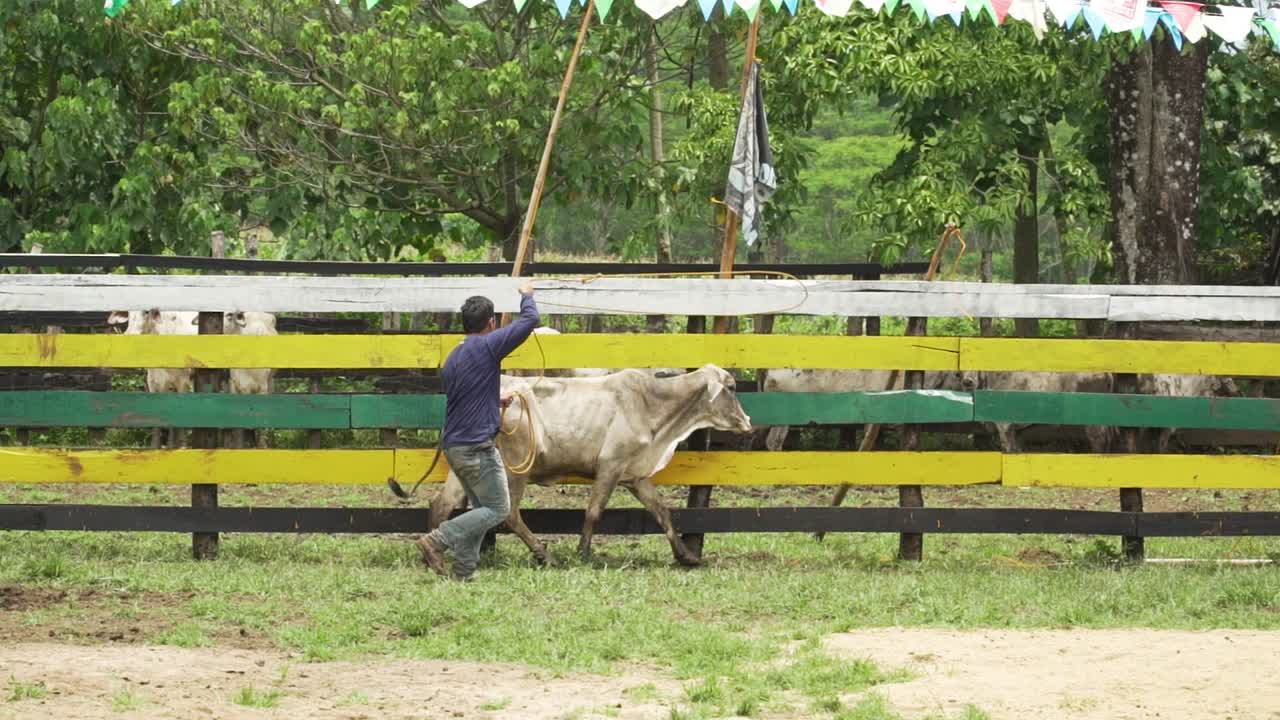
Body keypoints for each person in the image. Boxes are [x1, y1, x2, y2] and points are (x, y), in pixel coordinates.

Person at [417, 281, 539, 580]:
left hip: (455, 446)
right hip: (477, 447)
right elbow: (531, 321)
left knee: (481, 508)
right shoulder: (489, 345)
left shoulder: (454, 357)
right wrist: (527, 296)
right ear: (491, 323)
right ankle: (437, 540)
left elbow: (464, 395)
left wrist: (493, 400)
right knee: (498, 509)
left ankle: (463, 573)